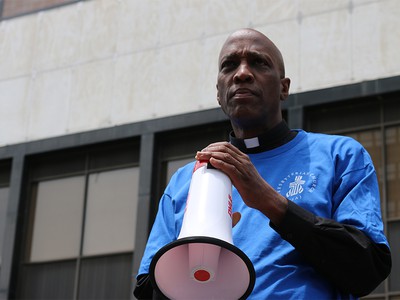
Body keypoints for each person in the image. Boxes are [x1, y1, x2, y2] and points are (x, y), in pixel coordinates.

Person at [134, 28, 391, 299]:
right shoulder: (186, 180)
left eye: (259, 62)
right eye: (229, 65)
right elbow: (151, 290)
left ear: (283, 87)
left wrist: (269, 201)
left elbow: (367, 271)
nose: (242, 73)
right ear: (219, 93)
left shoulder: (340, 155)